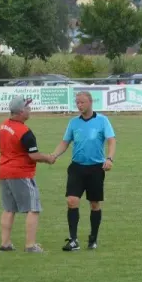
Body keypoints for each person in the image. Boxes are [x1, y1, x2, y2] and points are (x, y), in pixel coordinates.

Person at [50, 91, 116, 251]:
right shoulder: (73, 123)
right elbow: (65, 142)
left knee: (94, 204)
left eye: (82, 102)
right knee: (71, 201)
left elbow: (111, 140)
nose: (79, 105)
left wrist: (109, 158)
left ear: (90, 102)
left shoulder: (102, 120)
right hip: (77, 168)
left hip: (95, 169)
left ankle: (93, 238)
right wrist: (54, 155)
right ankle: (73, 240)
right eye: (77, 103)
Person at [0, 96, 55, 253]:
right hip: (21, 173)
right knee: (33, 208)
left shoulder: (2, 126)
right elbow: (33, 155)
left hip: (4, 171)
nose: (30, 110)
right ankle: (30, 245)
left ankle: (5, 243)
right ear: (21, 111)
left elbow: (1, 145)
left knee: (9, 208)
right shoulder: (25, 132)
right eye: (28, 108)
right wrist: (48, 158)